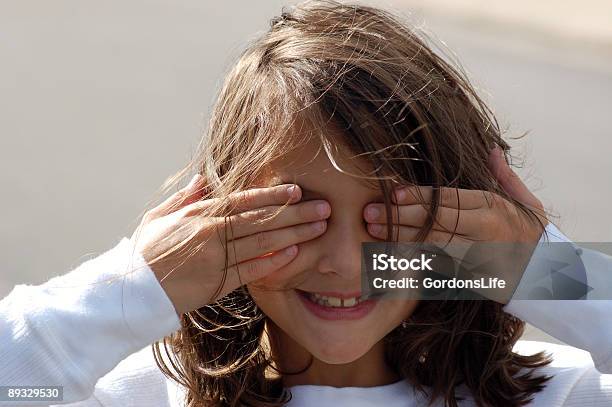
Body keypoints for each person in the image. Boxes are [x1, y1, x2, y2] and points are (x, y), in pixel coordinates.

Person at [1, 1, 611, 406]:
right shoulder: (143, 396)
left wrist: (548, 273)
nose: (346, 263)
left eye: (390, 219)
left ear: (465, 227)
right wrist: (137, 284)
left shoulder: (555, 394)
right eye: (300, 214)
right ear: (220, 216)